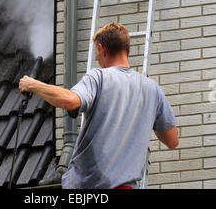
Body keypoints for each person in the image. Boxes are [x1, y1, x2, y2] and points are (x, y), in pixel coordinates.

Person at [19, 22, 178, 189]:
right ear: (128, 51)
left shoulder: (98, 77)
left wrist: (33, 85)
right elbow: (172, 141)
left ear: (102, 49)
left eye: (97, 55)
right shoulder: (152, 89)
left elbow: (70, 101)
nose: (99, 61)